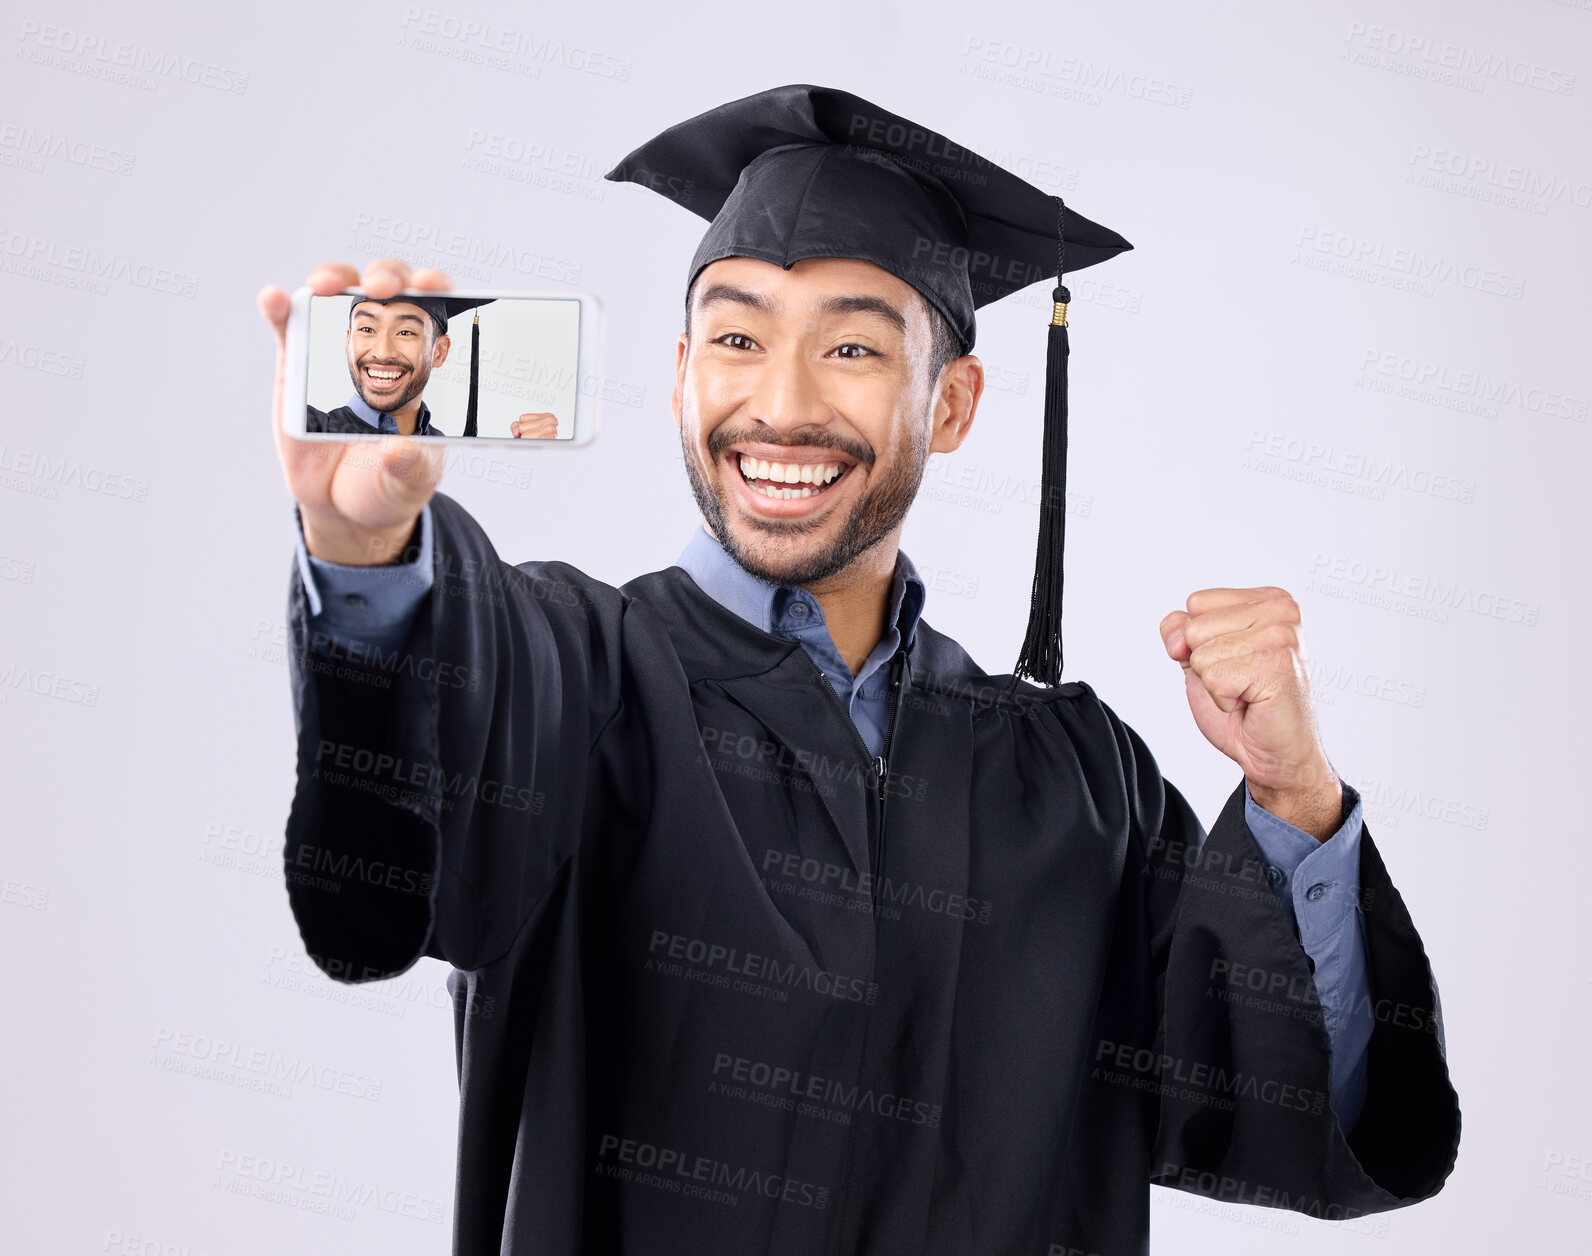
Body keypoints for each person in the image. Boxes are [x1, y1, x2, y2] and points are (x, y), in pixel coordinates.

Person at [260, 84, 1457, 1256]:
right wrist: (366, 555)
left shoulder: (1073, 781)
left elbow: (1279, 1111)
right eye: (735, 338)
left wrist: (1293, 796)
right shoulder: (578, 674)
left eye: (849, 347)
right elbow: (388, 853)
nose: (778, 404)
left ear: (952, 404)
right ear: (681, 374)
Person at [305, 293, 559, 438]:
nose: (382, 352)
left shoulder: (453, 455)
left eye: (405, 332)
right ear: (349, 341)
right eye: (367, 329)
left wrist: (534, 461)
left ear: (440, 351)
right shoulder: (307, 429)